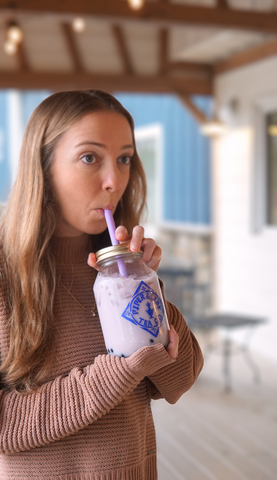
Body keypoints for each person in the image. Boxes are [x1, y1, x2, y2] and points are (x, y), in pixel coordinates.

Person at [0, 89, 203, 480]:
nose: (115, 180)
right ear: (43, 168)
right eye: (89, 157)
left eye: (124, 158)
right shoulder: (6, 274)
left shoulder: (121, 270)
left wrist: (149, 292)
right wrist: (117, 372)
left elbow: (181, 378)